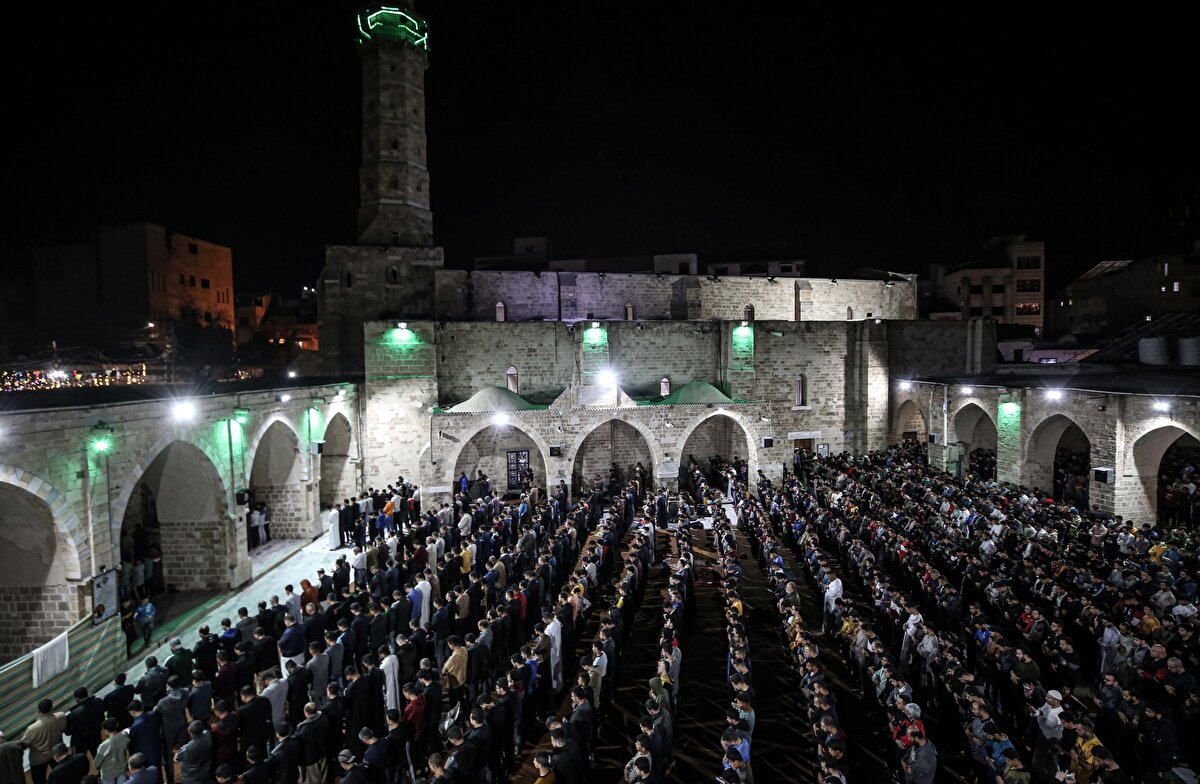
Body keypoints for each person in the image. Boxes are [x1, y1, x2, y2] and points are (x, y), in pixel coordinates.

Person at [21, 698, 68, 784]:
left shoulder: (32, 728)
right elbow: (64, 728)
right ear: (51, 708)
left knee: (39, 781)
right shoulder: (60, 716)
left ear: (38, 711)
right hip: (57, 753)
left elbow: (24, 744)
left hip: (38, 759)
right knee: (62, 778)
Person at [94, 719, 131, 784]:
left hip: (108, 774)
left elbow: (96, 764)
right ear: (117, 725)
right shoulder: (124, 736)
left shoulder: (104, 745)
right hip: (122, 771)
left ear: (106, 731)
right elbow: (127, 730)